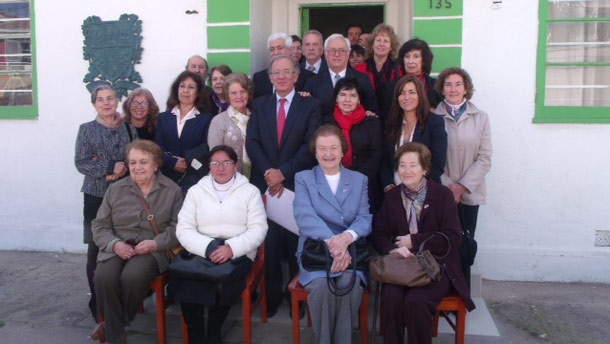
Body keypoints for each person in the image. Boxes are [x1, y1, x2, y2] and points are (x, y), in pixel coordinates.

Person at [371, 142, 475, 344]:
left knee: (416, 301)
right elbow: (379, 234)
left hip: (437, 266)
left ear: (425, 169)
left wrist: (414, 240)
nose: (407, 170)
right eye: (402, 165)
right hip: (402, 265)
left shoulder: (443, 195)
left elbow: (453, 238)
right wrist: (394, 249)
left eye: (413, 165)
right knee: (391, 299)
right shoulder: (392, 197)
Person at [246, 55, 322, 317]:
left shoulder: (310, 105)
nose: (280, 77)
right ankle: (272, 299)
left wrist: (283, 172)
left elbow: (310, 144)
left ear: (295, 76)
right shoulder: (259, 104)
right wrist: (270, 172)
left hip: (295, 185)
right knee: (269, 244)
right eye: (275, 72)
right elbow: (252, 143)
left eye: (286, 72)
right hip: (266, 186)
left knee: (295, 246)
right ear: (269, 78)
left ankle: (296, 301)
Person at [171, 145, 268, 344]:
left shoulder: (250, 192)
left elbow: (258, 229)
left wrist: (231, 248)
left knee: (223, 282)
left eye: (226, 163)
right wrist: (208, 248)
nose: (220, 168)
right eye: (215, 163)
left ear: (236, 166)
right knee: (186, 281)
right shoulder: (197, 191)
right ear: (209, 166)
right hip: (201, 248)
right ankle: (197, 336)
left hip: (238, 251)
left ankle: (214, 333)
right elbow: (184, 229)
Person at [91, 140, 183, 344]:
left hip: (152, 249)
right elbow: (99, 225)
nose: (137, 167)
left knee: (132, 276)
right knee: (103, 277)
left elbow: (179, 228)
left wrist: (156, 244)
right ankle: (117, 329)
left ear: (156, 164)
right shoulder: (116, 189)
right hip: (118, 246)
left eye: (143, 162)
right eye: (132, 162)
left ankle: (112, 330)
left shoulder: (172, 190)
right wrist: (115, 244)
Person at [293, 124, 372, 344]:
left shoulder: (359, 179)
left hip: (351, 251)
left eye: (334, 148)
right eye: (322, 148)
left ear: (343, 150)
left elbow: (364, 218)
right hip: (316, 251)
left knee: (349, 282)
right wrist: (334, 244)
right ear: (315, 151)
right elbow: (304, 216)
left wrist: (346, 239)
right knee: (320, 287)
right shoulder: (304, 178)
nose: (328, 154)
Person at [75, 84, 137, 322]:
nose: (106, 103)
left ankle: (119, 298)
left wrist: (120, 168)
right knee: (95, 249)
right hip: (96, 197)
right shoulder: (86, 130)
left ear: (117, 101)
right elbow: (81, 162)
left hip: (124, 196)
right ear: (94, 104)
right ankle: (98, 304)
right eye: (101, 100)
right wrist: (110, 167)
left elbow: (136, 157)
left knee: (122, 243)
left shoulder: (129, 129)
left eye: (110, 98)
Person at [433, 67, 492, 286]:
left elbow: (485, 158)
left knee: (463, 245)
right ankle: (441, 294)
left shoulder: (481, 118)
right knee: (440, 245)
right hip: (441, 193)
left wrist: (461, 187)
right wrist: (448, 188)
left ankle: (461, 297)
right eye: (448, 84)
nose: (453, 89)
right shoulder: (432, 116)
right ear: (442, 89)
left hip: (469, 194)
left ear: (466, 88)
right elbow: (431, 157)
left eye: (458, 84)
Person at [381, 75, 447, 191]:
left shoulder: (434, 122)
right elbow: (385, 161)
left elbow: (438, 163)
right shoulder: (390, 124)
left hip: (425, 193)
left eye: (412, 92)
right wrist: (389, 186)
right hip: (394, 193)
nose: (406, 97)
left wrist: (416, 188)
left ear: (420, 95)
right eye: (402, 93)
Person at [327, 77, 382, 212]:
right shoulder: (326, 122)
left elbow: (376, 155)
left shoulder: (371, 122)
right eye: (343, 94)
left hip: (364, 187)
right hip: (332, 187)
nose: (347, 100)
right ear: (336, 98)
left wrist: (355, 182)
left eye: (352, 95)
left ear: (359, 100)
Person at [155, 71, 213, 193]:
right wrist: (172, 162)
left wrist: (185, 159)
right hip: (166, 177)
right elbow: (157, 147)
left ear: (197, 93)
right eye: (182, 86)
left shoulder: (207, 118)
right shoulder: (163, 118)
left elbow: (207, 145)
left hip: (194, 177)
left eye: (191, 87)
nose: (185, 91)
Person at [304, 34, 378, 122]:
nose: (337, 54)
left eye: (342, 50)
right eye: (332, 50)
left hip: (355, 133)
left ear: (348, 54)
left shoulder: (363, 80)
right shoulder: (312, 83)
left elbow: (372, 110)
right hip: (325, 132)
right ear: (326, 54)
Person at [207, 72, 255, 178]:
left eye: (243, 91)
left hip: (257, 177)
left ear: (248, 93)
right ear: (227, 96)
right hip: (228, 178)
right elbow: (216, 156)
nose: (239, 96)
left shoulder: (257, 117)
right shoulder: (218, 121)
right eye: (233, 93)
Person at [382, 39, 442, 119]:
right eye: (407, 56)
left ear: (423, 60)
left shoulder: (436, 85)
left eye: (416, 56)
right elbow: (387, 118)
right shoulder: (391, 87)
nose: (410, 61)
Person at [354, 24, 401, 111]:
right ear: (372, 44)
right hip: (366, 117)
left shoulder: (399, 69)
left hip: (392, 117)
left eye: (386, 41)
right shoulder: (359, 69)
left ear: (391, 47)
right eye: (378, 40)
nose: (381, 44)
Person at [252, 32, 311, 99]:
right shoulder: (259, 78)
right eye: (272, 49)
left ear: (290, 50)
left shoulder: (308, 77)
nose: (276, 52)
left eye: (280, 48)